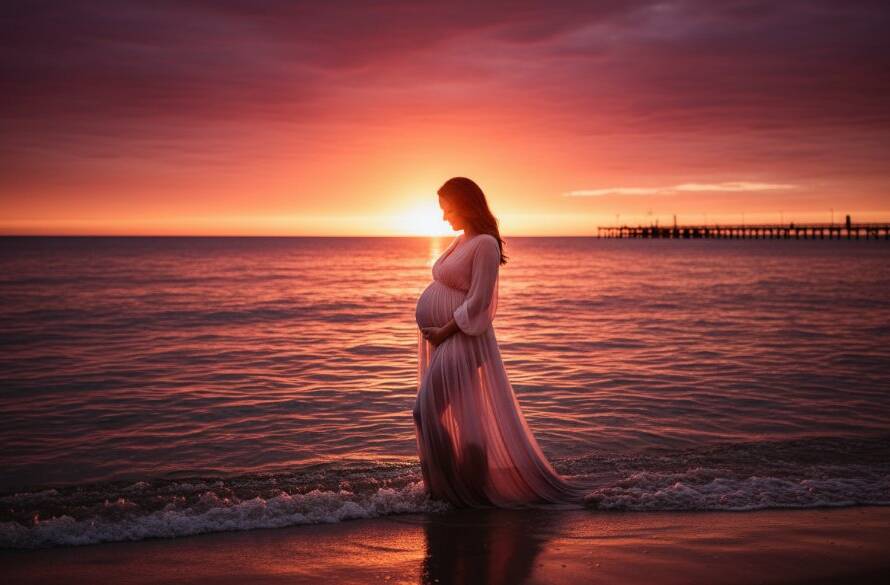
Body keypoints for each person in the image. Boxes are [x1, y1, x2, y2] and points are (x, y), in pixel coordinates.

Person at [413, 177, 586, 508]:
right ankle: (462, 487)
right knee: (464, 420)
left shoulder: (486, 245)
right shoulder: (462, 241)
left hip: (461, 339)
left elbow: (480, 302)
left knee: (423, 411)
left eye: (447, 208)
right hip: (445, 339)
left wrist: (443, 332)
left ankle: (450, 490)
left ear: (464, 203)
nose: (444, 217)